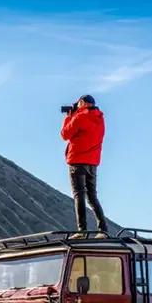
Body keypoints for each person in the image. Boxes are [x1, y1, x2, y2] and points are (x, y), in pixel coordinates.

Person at [60, 94, 108, 238]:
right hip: (92, 162)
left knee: (78, 194)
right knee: (92, 196)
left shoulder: (79, 117)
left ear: (82, 102)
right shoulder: (100, 119)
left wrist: (69, 117)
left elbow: (65, 134)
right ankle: (103, 229)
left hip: (77, 160)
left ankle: (82, 230)